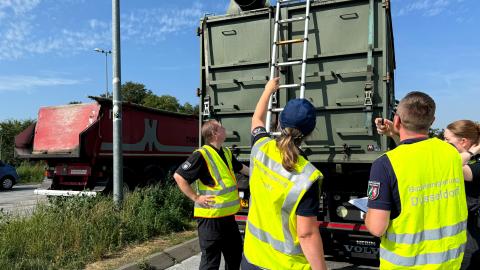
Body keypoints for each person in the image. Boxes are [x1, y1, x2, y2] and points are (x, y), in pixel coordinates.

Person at [365, 91, 468, 269]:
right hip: (450, 264)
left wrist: (367, 214)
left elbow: (377, 228)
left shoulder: (384, 165)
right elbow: (418, 154)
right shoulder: (451, 153)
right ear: (433, 121)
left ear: (397, 120)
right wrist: (395, 133)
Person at [241, 78, 327, 270]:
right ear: (310, 132)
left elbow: (256, 119)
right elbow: (306, 235)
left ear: (279, 122)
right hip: (286, 265)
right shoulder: (307, 176)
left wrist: (268, 90)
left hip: (251, 258)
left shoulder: (260, 147)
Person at [379, 119, 480, 269]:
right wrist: (395, 134)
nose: (443, 143)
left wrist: (472, 152)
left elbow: (452, 165)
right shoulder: (449, 157)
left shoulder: (474, 164)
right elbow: (414, 156)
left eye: (447, 139)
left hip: (471, 239)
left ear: (464, 141)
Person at [173, 119, 249, 270]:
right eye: (222, 128)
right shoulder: (201, 155)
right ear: (215, 133)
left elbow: (242, 169)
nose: (225, 129)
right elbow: (179, 176)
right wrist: (196, 197)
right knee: (210, 262)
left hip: (227, 218)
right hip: (210, 218)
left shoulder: (225, 152)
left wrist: (263, 173)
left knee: (234, 255)